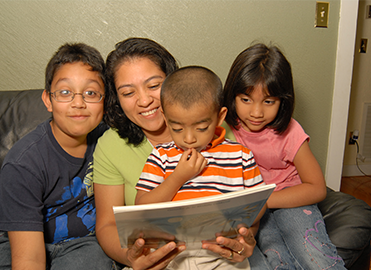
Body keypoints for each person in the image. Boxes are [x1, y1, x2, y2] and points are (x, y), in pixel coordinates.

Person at [93, 38, 270, 270]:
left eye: (154, 85)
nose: (144, 100)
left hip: (219, 256)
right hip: (163, 257)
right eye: (128, 92)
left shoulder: (226, 141)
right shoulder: (129, 150)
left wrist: (244, 240)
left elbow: (249, 203)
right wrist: (133, 258)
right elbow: (110, 223)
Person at [0, 43, 120, 269]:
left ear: (104, 102)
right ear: (48, 100)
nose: (78, 103)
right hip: (24, 240)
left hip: (85, 244)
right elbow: (28, 258)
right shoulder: (23, 163)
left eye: (90, 93)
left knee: (93, 261)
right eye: (65, 92)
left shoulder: (111, 142)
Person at [222, 43, 346, 269]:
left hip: (290, 202)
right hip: (253, 213)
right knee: (277, 259)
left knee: (314, 256)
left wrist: (264, 199)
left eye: (268, 101)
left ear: (283, 100)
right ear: (232, 96)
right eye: (246, 100)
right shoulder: (224, 130)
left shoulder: (290, 132)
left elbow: (317, 187)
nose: (257, 113)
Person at [135, 65, 266, 269]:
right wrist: (178, 177)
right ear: (165, 116)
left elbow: (259, 205)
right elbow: (142, 209)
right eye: (177, 128)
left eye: (201, 128)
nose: (189, 139)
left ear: (220, 117)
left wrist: (234, 219)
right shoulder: (161, 156)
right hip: (170, 257)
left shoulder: (241, 155)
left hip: (222, 256)